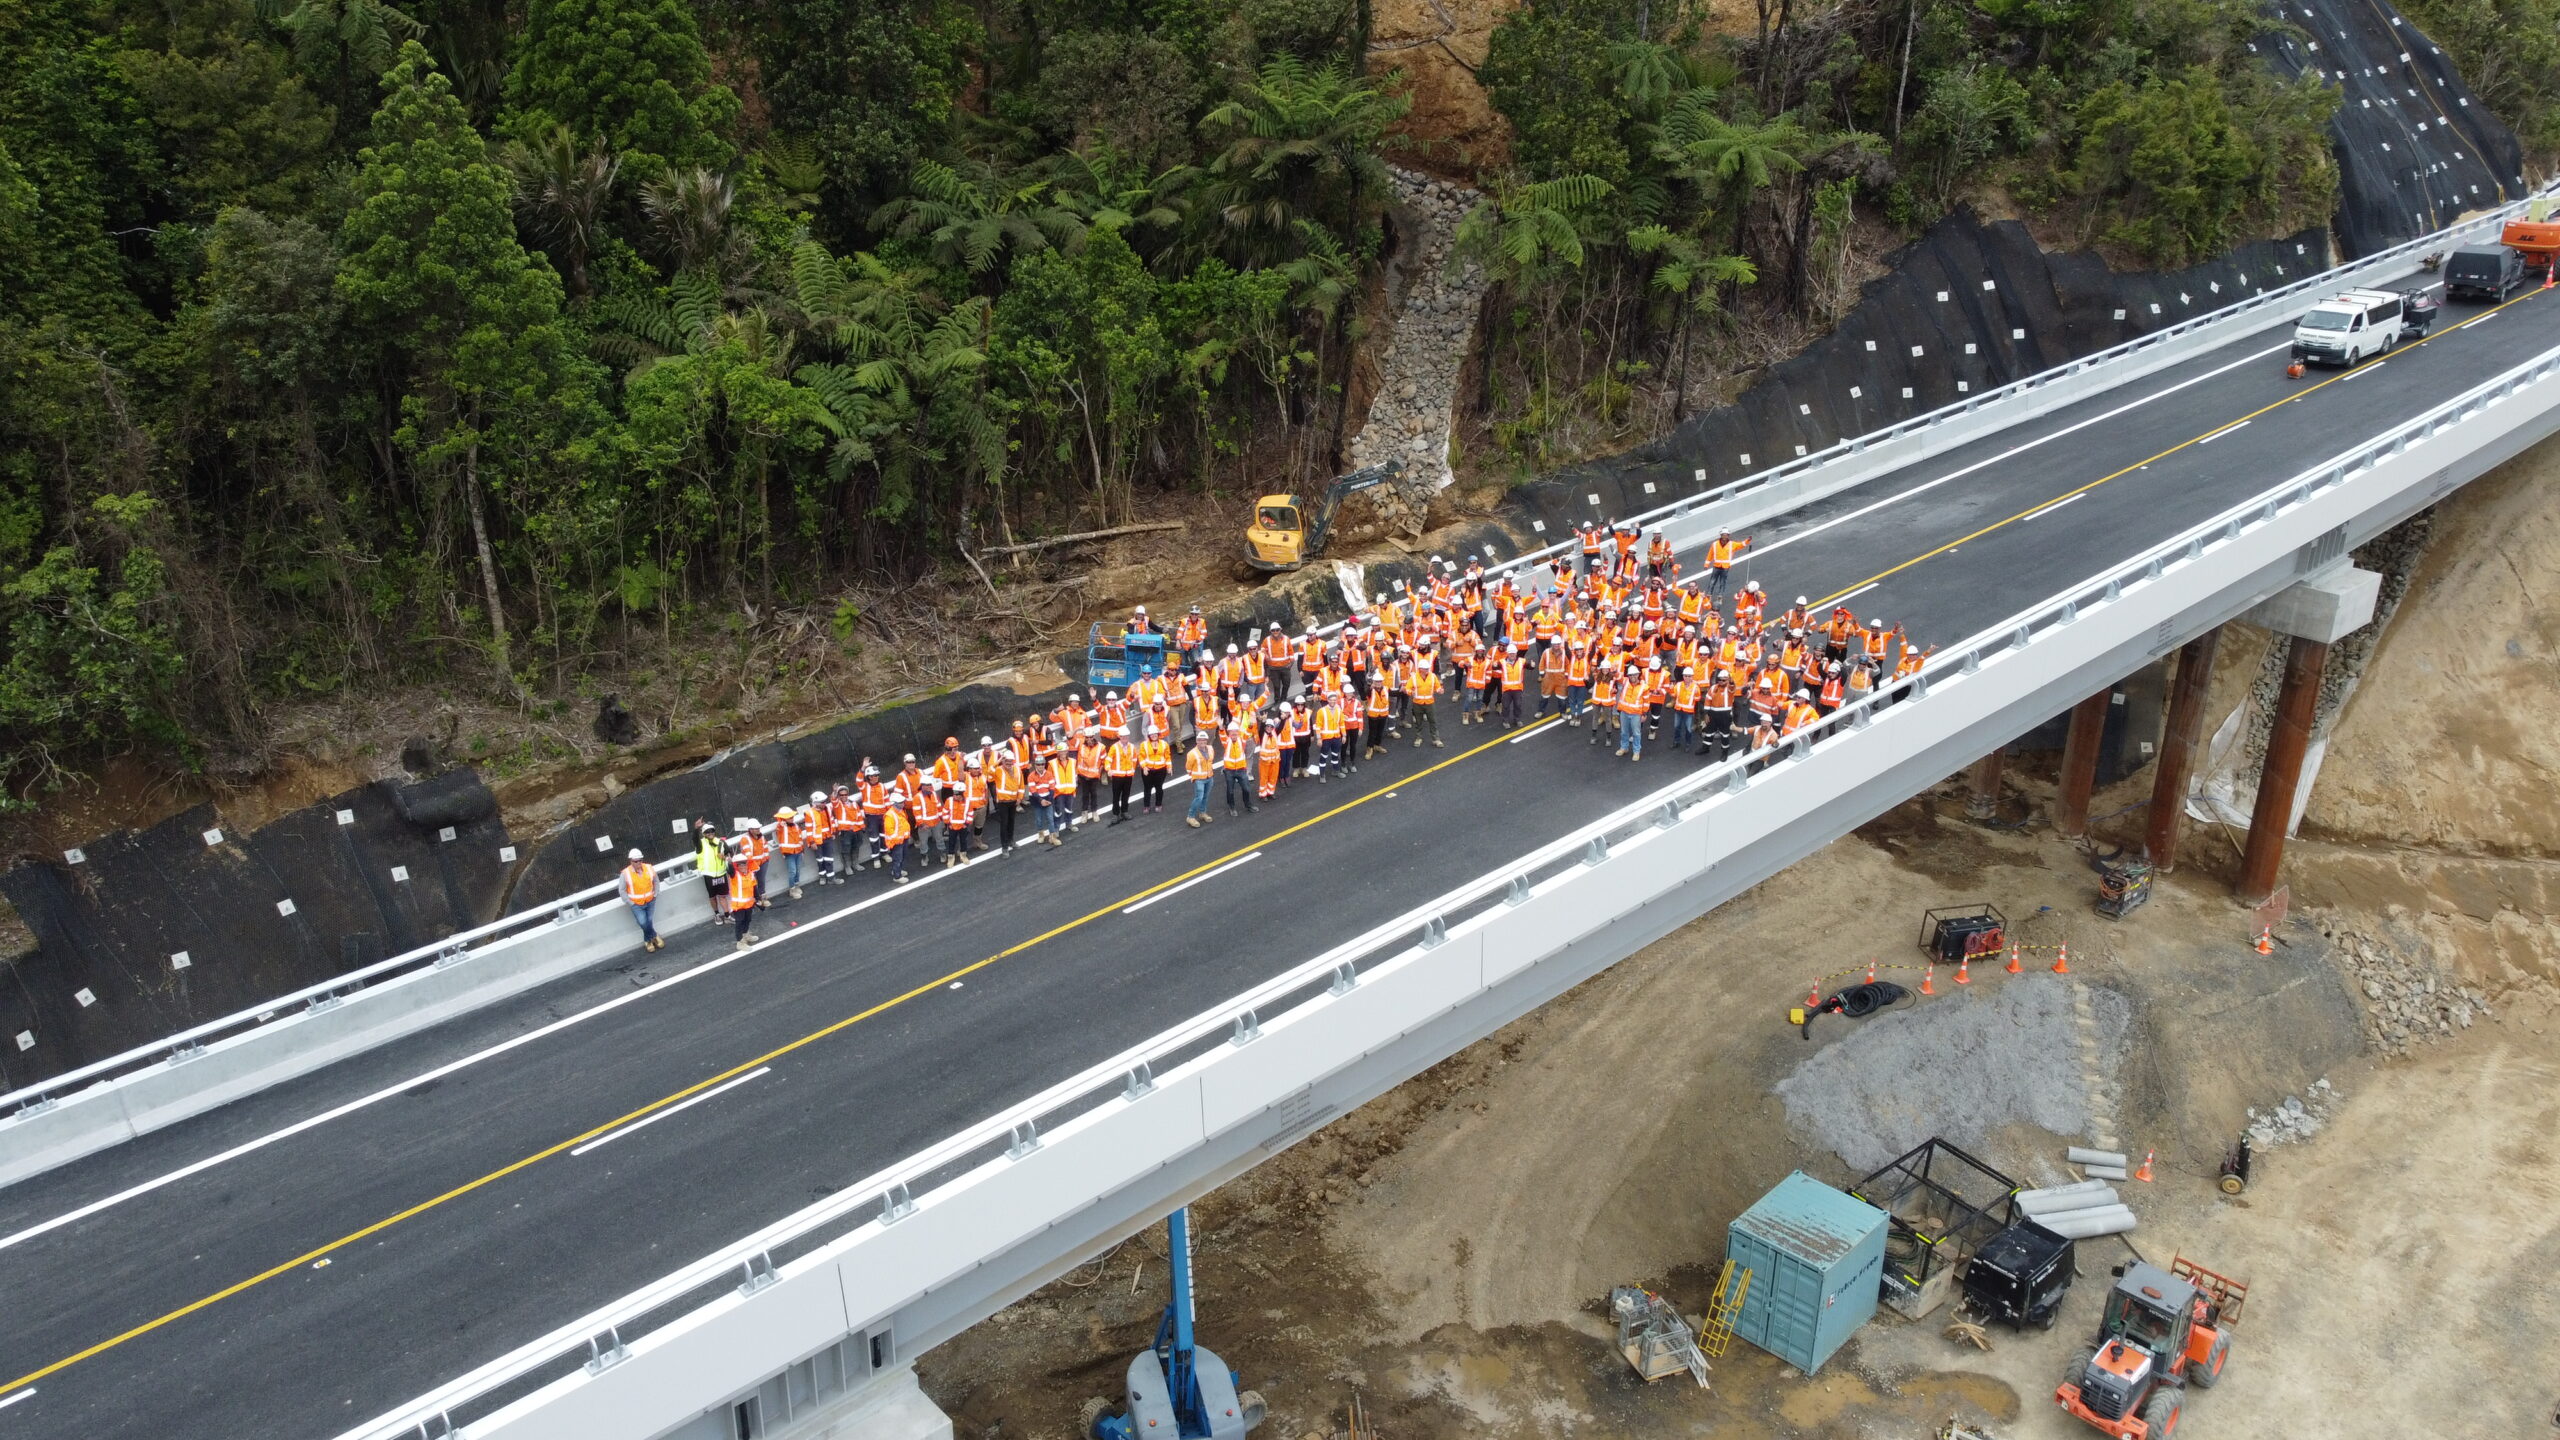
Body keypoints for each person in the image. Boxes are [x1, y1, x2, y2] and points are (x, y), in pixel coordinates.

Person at [619, 849, 660, 952]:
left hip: (650, 900)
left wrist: (655, 894)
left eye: (640, 860)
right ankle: (653, 936)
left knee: (649, 921)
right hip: (636, 904)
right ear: (631, 861)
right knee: (643, 922)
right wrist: (631, 903)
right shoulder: (625, 874)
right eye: (635, 861)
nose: (638, 863)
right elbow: (622, 890)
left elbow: (656, 881)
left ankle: (649, 941)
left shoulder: (649, 868)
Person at [724, 842, 759, 949]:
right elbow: (729, 869)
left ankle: (745, 935)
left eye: (744, 864)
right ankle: (740, 942)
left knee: (748, 920)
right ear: (737, 866)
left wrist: (758, 898)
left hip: (749, 903)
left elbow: (754, 887)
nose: (743, 866)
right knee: (739, 922)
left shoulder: (750, 874)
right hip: (738, 905)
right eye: (740, 865)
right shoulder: (734, 875)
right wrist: (729, 861)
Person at [693, 820, 728, 909]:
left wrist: (724, 857)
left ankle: (727, 915)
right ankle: (717, 914)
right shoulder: (701, 844)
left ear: (714, 831)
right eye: (707, 832)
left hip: (721, 874)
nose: (710, 833)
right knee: (712, 897)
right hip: (709, 875)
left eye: (711, 831)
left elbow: (729, 855)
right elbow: (695, 839)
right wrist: (696, 829)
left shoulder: (721, 842)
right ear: (704, 834)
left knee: (723, 896)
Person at [1221, 722, 1255, 814]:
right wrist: (1221, 727)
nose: (1234, 736)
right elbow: (1222, 735)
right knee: (1230, 791)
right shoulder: (1226, 742)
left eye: (1235, 734)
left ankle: (1248, 805)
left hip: (1241, 770)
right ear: (1229, 734)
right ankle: (1231, 807)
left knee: (1246, 789)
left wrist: (1250, 725)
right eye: (1232, 734)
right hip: (1229, 771)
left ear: (1238, 733)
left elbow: (1247, 733)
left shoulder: (1242, 741)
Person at [773, 805, 805, 900]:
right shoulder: (781, 827)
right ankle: (792, 890)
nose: (792, 818)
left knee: (798, 870)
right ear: (784, 818)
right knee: (792, 871)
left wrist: (802, 849)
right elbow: (779, 827)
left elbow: (799, 838)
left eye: (792, 816)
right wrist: (781, 822)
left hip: (798, 852)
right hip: (789, 853)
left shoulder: (795, 826)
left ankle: (796, 885)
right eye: (789, 817)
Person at [1184, 734, 1216, 827]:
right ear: (1197, 741)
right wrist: (1194, 776)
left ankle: (1202, 813)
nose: (1202, 742)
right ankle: (1190, 816)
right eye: (1200, 740)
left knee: (1205, 796)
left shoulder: (1210, 748)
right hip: (1199, 779)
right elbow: (1188, 767)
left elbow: (1210, 761)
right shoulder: (1192, 753)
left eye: (1204, 740)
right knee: (1199, 797)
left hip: (1209, 777)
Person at [880, 800, 913, 883]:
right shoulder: (890, 815)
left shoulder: (900, 812)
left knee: (902, 857)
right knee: (897, 859)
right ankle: (897, 876)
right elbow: (889, 830)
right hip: (896, 841)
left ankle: (897, 871)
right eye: (900, 802)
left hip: (902, 839)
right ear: (895, 803)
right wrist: (897, 839)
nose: (903, 804)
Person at [1139, 733, 1171, 814]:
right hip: (1148, 770)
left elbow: (1167, 756)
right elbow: (1141, 757)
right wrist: (1144, 767)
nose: (1154, 736)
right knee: (1147, 788)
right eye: (1152, 734)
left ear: (1158, 735)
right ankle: (1146, 806)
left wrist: (1169, 767)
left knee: (1159, 787)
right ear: (1149, 735)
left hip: (1160, 770)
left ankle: (1158, 804)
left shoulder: (1164, 744)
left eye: (1155, 734)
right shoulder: (1144, 745)